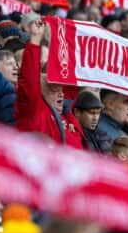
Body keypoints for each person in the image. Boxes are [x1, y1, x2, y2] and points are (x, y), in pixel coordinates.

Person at [15, 19, 84, 149]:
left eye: (62, 90)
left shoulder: (67, 112)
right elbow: (29, 80)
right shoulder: (34, 110)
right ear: (40, 92)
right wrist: (35, 40)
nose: (61, 95)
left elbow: (75, 71)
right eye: (53, 90)